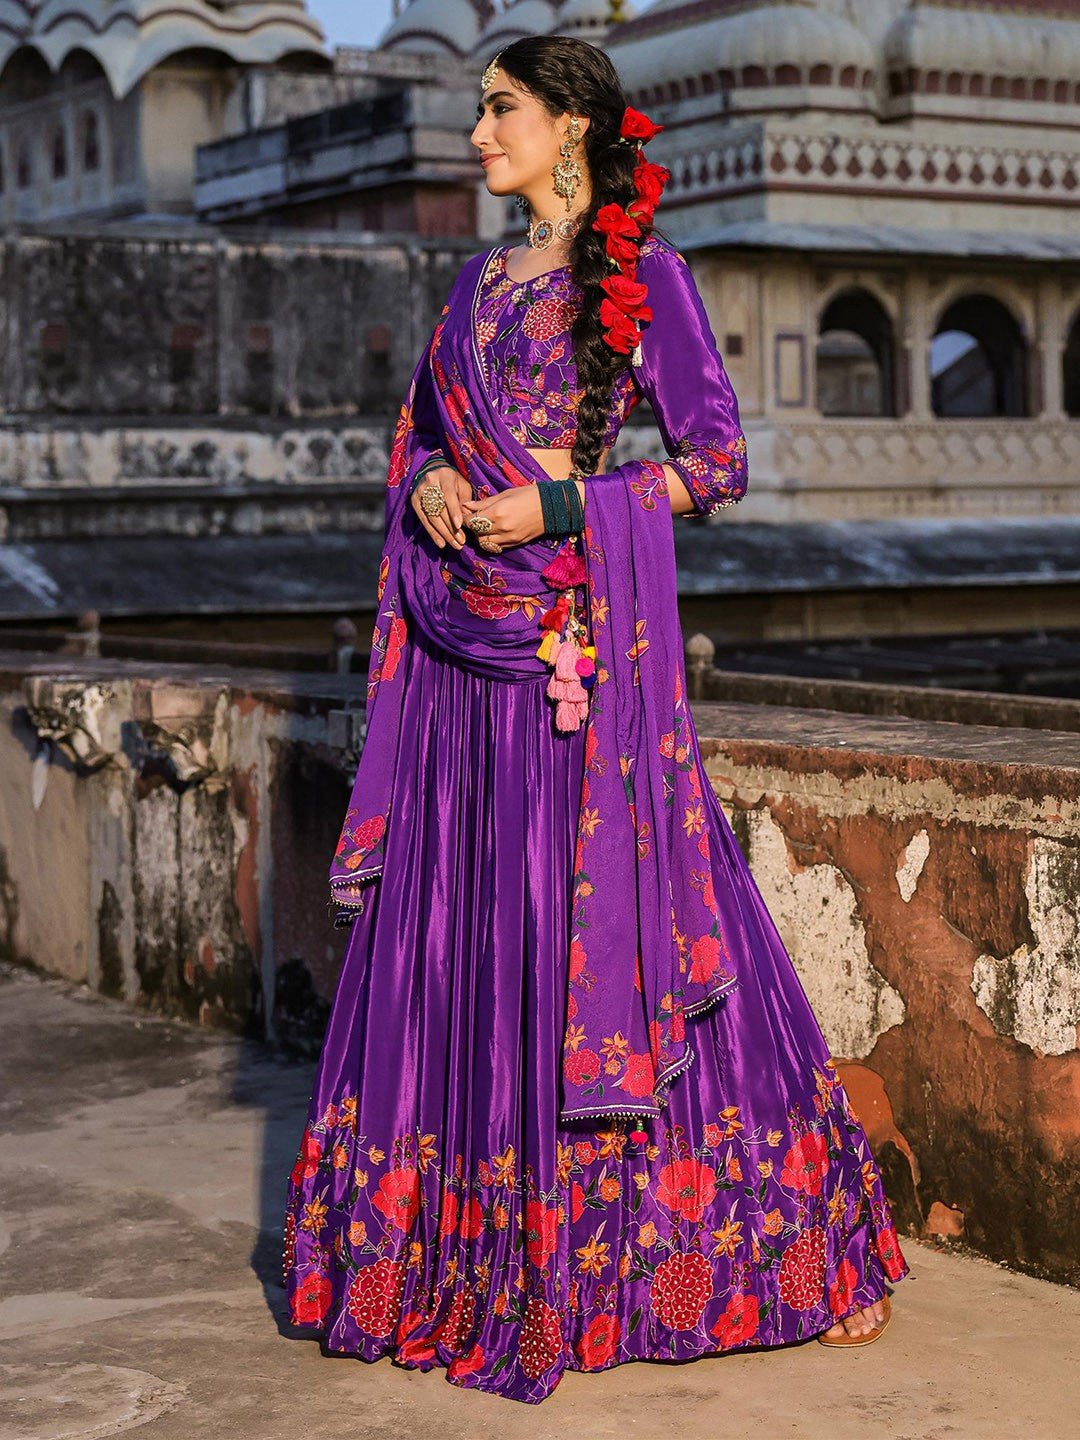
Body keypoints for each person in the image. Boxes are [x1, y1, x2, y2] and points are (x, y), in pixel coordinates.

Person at [281, 35, 908, 1405]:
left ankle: (767, 1251)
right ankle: (463, 1263)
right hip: (460, 657)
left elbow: (714, 463)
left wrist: (564, 505)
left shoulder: (641, 281)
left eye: (498, 111)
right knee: (472, 940)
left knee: (612, 925)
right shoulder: (472, 285)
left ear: (570, 128)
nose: (476, 137)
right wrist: (441, 489)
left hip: (568, 657)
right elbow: (430, 440)